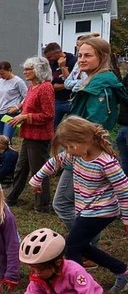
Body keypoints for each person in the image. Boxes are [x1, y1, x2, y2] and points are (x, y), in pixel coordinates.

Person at [29, 117, 128, 294]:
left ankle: (80, 288)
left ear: (86, 139)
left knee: (72, 247)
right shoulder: (75, 156)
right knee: (80, 245)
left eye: (71, 146)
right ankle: (122, 271)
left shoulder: (107, 163)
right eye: (65, 147)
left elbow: (124, 191)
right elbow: (54, 162)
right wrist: (37, 179)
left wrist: (127, 219)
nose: (68, 151)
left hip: (102, 211)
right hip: (86, 209)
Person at [54, 38, 128, 237]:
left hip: (86, 152)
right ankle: (85, 245)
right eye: (79, 55)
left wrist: (74, 149)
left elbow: (94, 126)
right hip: (80, 150)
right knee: (83, 204)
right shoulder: (92, 80)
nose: (81, 60)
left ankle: (86, 245)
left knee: (62, 202)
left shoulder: (100, 87)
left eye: (88, 55)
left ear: (102, 57)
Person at [12, 228, 109, 294]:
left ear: (57, 263)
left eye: (41, 269)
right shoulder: (38, 276)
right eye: (33, 268)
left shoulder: (75, 271)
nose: (36, 273)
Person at [6, 57, 55, 213]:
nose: (24, 72)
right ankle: (12, 197)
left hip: (40, 136)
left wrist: (25, 117)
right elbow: (28, 106)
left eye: (28, 69)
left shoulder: (46, 87)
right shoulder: (32, 87)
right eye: (25, 68)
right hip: (28, 134)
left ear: (39, 70)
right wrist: (19, 112)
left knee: (39, 171)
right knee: (21, 168)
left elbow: (48, 115)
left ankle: (42, 204)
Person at [43, 42, 77, 129]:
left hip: (72, 100)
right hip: (57, 100)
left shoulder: (73, 61)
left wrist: (63, 67)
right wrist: (66, 85)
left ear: (58, 52)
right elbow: (49, 85)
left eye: (50, 57)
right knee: (51, 127)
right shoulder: (51, 64)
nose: (49, 59)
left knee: (72, 128)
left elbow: (75, 83)